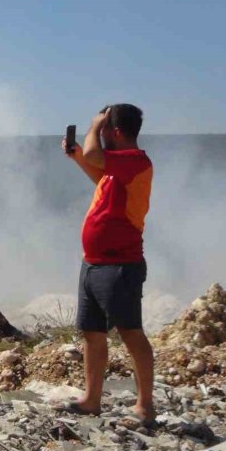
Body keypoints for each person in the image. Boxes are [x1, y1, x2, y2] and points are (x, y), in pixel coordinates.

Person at [61, 103, 155, 424]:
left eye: (104, 131)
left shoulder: (136, 161)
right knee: (92, 333)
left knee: (131, 333)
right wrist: (77, 157)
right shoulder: (118, 168)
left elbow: (95, 154)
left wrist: (92, 127)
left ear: (114, 132)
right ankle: (92, 399)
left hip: (120, 266)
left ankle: (145, 406)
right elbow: (98, 173)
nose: (100, 136)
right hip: (93, 263)